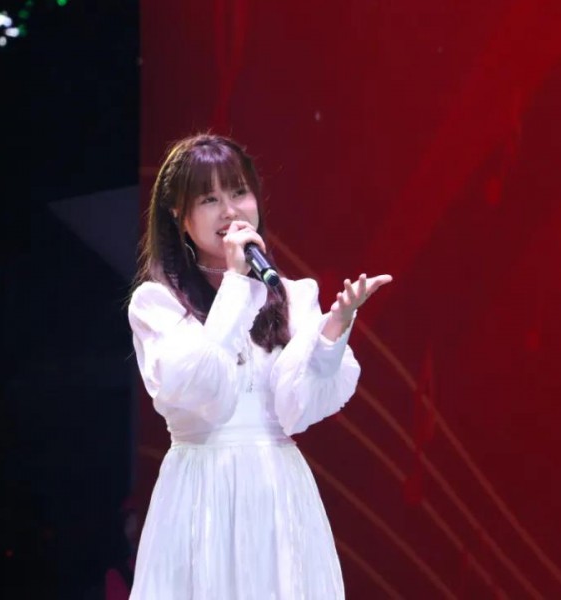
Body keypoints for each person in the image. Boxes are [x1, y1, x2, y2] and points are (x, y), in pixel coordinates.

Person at [127, 133, 392, 599]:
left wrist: (333, 331)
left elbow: (296, 407)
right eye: (209, 199)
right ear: (178, 215)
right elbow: (196, 390)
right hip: (202, 495)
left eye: (238, 192)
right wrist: (235, 283)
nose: (230, 211)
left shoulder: (293, 296)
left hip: (277, 493)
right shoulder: (157, 304)